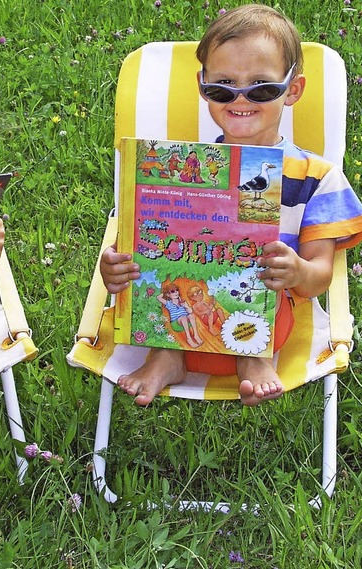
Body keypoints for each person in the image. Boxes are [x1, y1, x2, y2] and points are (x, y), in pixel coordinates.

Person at [100, 4, 362, 407]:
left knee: (261, 287)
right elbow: (145, 247)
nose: (240, 99)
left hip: (269, 318)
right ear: (203, 86)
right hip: (184, 319)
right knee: (163, 274)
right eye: (223, 86)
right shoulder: (179, 172)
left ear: (292, 90)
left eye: (261, 87)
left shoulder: (317, 176)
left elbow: (320, 277)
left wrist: (296, 271)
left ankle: (252, 358)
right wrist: (118, 267)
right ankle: (166, 357)